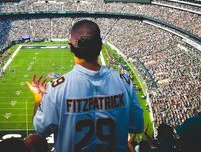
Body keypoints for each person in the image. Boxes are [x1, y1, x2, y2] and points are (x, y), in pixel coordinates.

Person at [27, 19, 144, 151]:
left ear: (71, 47)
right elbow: (137, 126)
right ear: (100, 45)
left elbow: (41, 130)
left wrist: (38, 99)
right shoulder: (124, 82)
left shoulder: (56, 88)